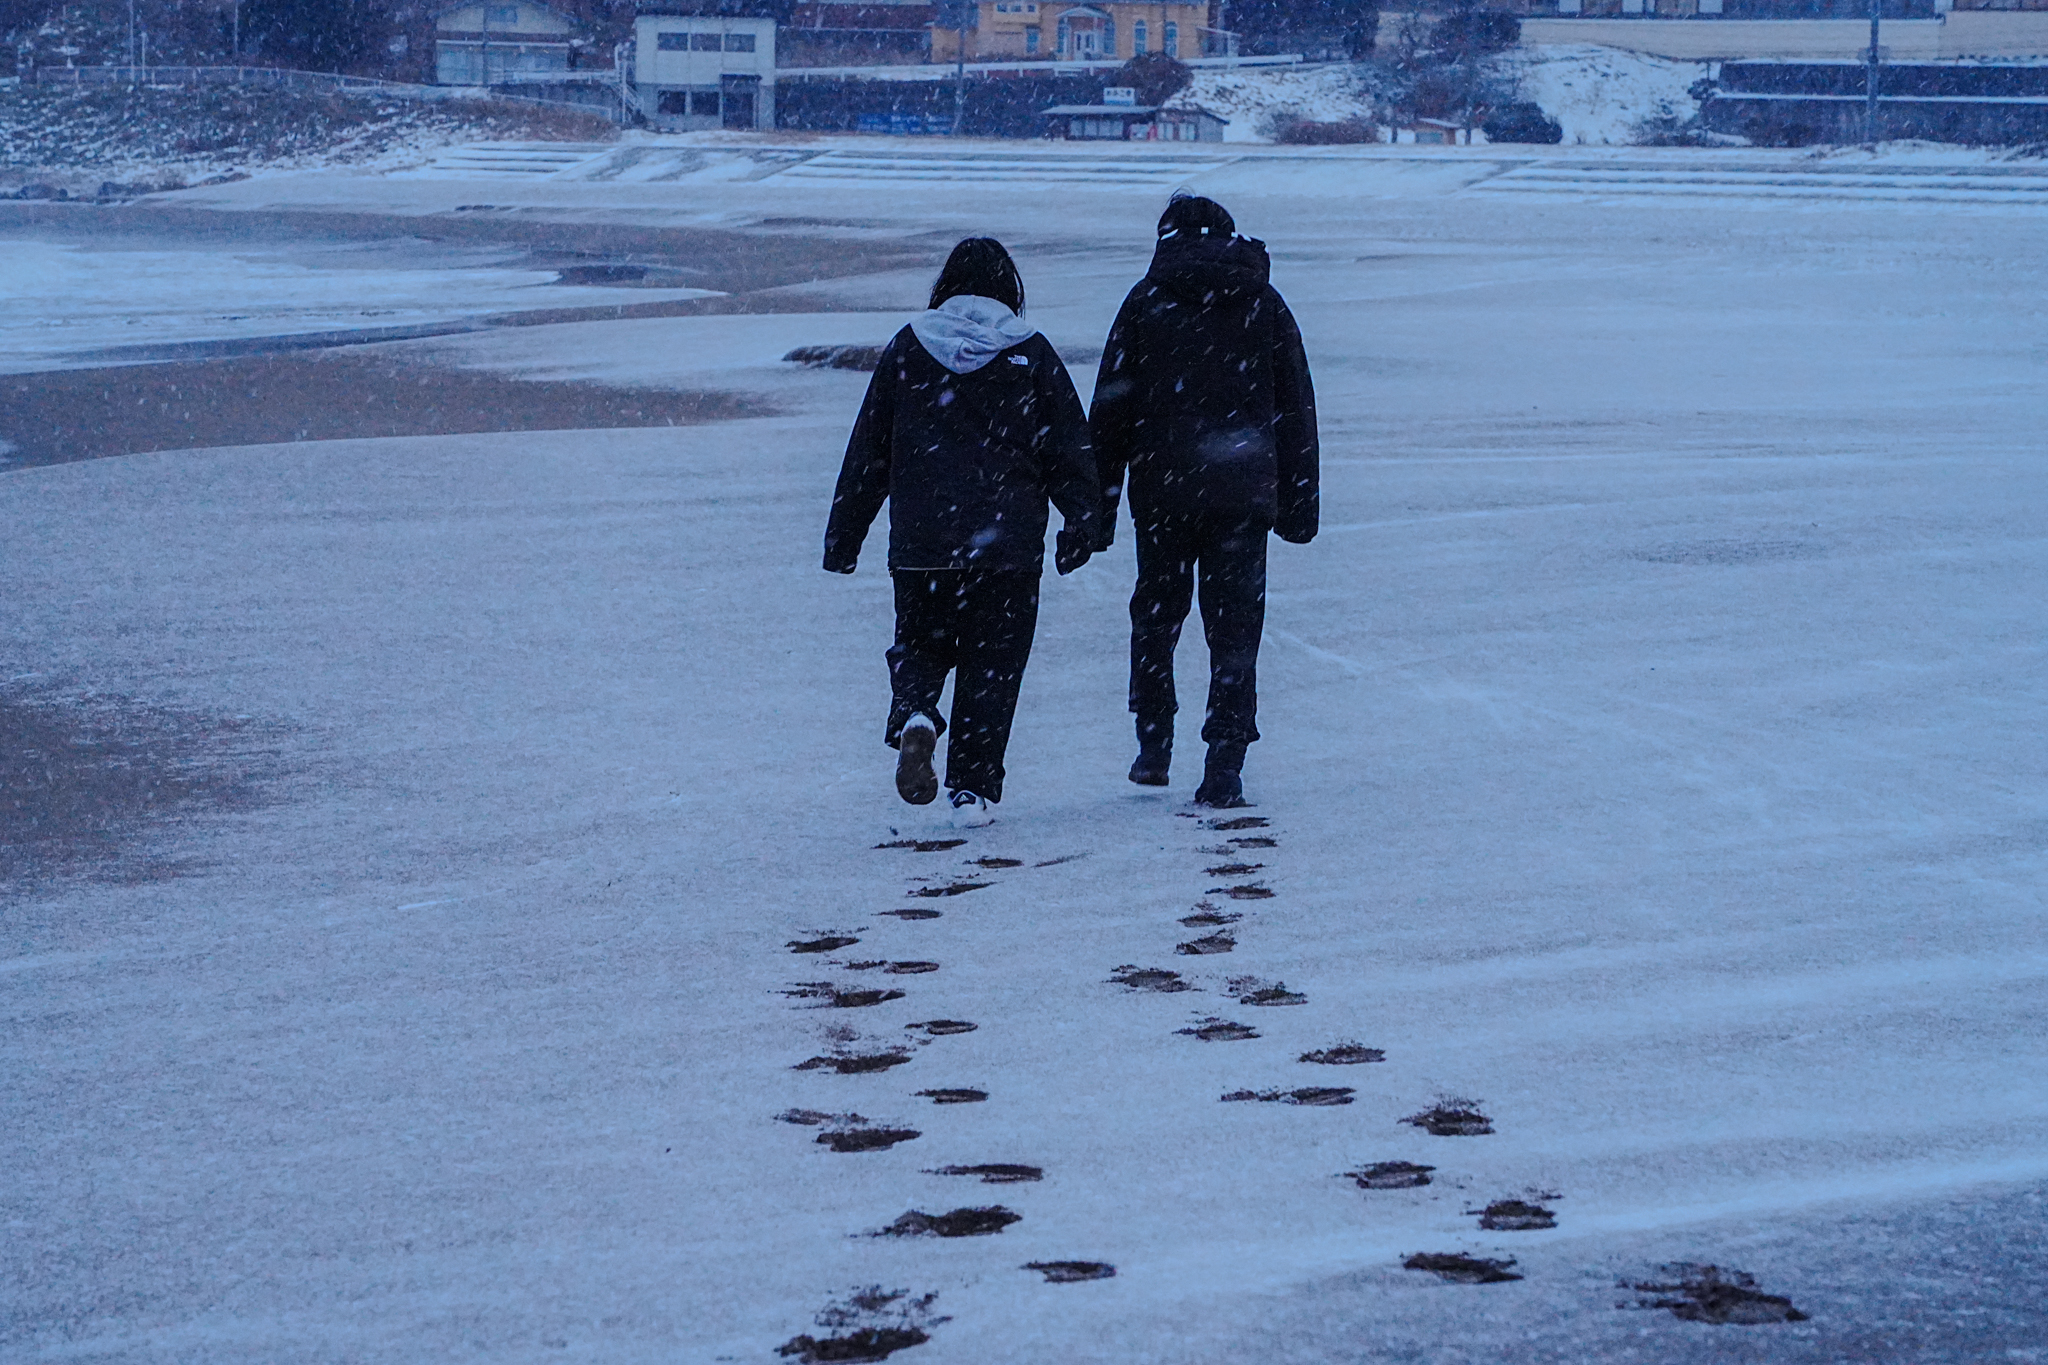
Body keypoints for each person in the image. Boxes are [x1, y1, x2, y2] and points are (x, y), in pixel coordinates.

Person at [824, 238, 1101, 826]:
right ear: (1010, 290)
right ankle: (971, 792)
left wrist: (843, 538)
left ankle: (917, 714)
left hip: (923, 544)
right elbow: (1068, 448)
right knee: (993, 666)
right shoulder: (1031, 353)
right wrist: (1083, 520)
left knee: (920, 644)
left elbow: (869, 449)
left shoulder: (909, 346)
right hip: (1007, 546)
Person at [1089, 193, 1319, 808]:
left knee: (1156, 616)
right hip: (1242, 495)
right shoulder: (1264, 303)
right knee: (1235, 629)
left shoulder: (1145, 301)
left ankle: (1153, 744)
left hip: (1163, 492)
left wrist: (1097, 510)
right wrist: (1299, 506)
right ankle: (1224, 761)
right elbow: (1295, 409)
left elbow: (1111, 412)